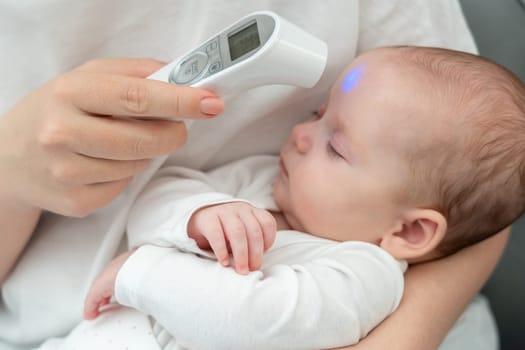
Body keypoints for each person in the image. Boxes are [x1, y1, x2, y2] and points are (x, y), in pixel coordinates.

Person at [0, 2, 508, 350]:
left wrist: (142, 273)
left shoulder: (363, 275)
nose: (301, 135)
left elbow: (255, 321)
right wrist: (196, 215)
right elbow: (162, 193)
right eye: (317, 114)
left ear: (408, 231)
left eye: (335, 145)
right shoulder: (266, 179)